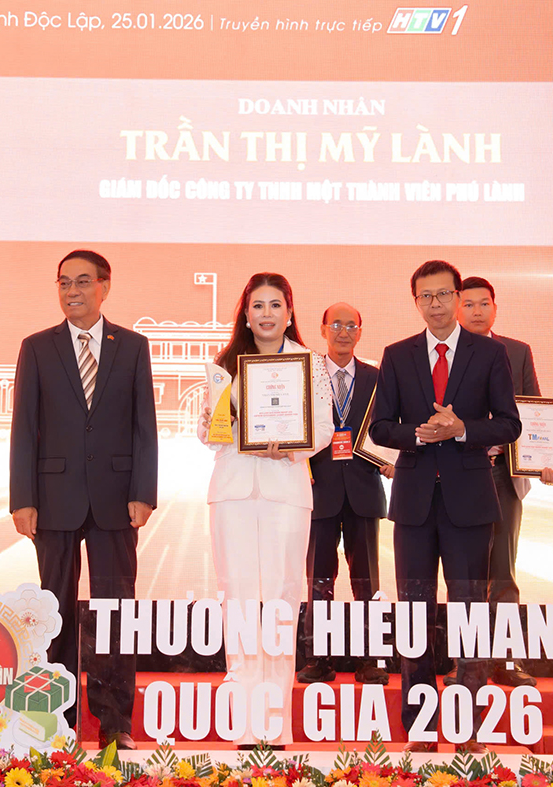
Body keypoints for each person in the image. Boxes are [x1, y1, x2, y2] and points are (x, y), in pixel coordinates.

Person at [369, 260, 521, 753]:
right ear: (415, 301)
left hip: (470, 503)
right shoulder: (397, 355)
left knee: (469, 614)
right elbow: (380, 427)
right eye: (425, 297)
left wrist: (463, 429)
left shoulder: (490, 353)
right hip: (414, 502)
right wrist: (417, 434)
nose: (434, 304)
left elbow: (509, 423)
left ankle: (467, 727)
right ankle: (420, 728)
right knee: (414, 616)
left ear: (458, 297)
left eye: (442, 295)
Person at [9, 249, 158, 750]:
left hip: (117, 500)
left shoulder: (132, 346)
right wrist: (22, 498)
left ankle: (116, 722)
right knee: (54, 610)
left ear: (104, 286)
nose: (71, 291)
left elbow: (144, 426)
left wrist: (143, 491)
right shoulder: (37, 347)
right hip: (53, 499)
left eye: (82, 282)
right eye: (63, 283)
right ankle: (58, 719)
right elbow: (24, 428)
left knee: (116, 611)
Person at [197, 273, 333, 747]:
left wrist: (291, 446)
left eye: (276, 305)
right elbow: (207, 434)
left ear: (290, 313)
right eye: (258, 305)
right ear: (246, 313)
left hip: (285, 493)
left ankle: (272, 724)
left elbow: (322, 428)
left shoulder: (309, 364)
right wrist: (219, 424)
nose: (267, 314)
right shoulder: (224, 365)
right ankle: (243, 723)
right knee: (237, 600)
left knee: (280, 600)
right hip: (233, 492)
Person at [453, 276, 553, 688]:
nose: (477, 311)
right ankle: (466, 665)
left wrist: (546, 462)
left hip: (502, 474)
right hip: (459, 474)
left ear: (495, 308)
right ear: (457, 308)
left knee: (503, 571)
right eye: (469, 304)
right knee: (465, 576)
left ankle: (504, 659)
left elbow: (535, 411)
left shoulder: (516, 352)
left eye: (484, 303)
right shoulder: (444, 353)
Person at [297, 303, 394, 686]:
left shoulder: (377, 377)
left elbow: (390, 426)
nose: (343, 331)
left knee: (367, 581)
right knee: (318, 580)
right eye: (335, 324)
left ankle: (371, 659)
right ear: (322, 329)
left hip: (364, 489)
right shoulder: (306, 375)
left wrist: (393, 459)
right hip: (318, 489)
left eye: (351, 325)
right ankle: (317, 658)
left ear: (360, 332)